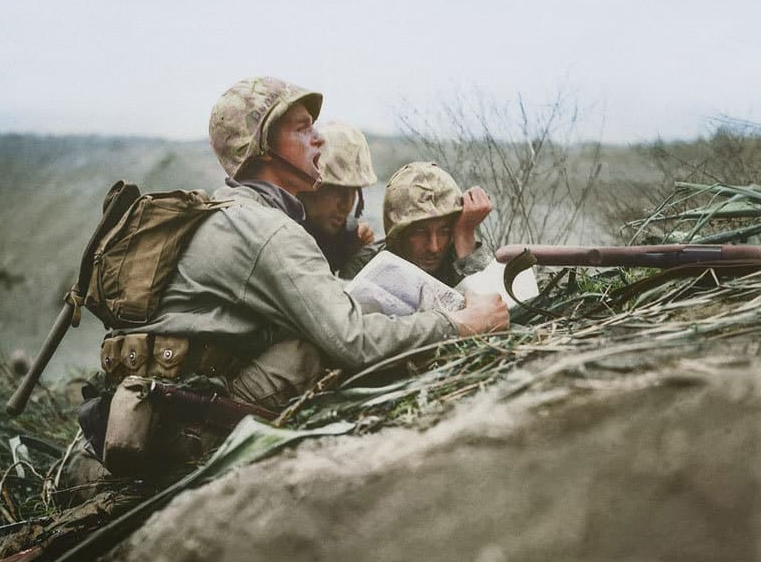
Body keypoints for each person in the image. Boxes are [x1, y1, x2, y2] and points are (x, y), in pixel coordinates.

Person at [62, 78, 509, 491]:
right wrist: (460, 324)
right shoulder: (269, 232)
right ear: (261, 149)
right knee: (325, 341)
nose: (318, 139)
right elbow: (353, 342)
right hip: (185, 429)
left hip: (163, 411)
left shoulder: (228, 211)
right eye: (301, 129)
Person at [341, 162, 493, 289]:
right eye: (420, 232)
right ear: (397, 234)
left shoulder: (457, 261)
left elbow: (489, 303)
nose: (434, 247)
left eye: (444, 232)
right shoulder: (366, 266)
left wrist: (465, 234)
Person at [297, 121, 377, 274]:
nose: (347, 205)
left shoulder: (348, 239)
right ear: (307, 185)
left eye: (353, 191)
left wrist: (356, 253)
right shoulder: (280, 234)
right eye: (336, 189)